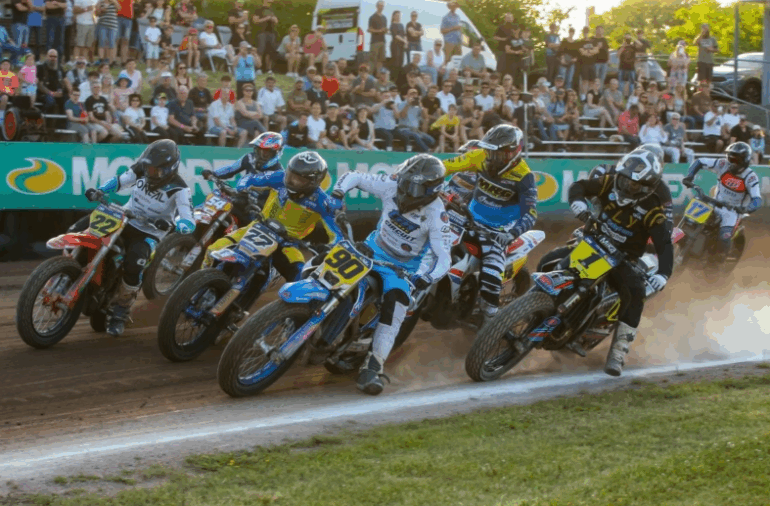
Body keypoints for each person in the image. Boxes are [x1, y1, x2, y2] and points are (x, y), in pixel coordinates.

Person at [330, 154, 452, 396]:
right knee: (325, 261)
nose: (405, 190)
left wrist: (426, 278)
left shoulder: (437, 215)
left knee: (396, 307)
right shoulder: (392, 184)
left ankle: (372, 368)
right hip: (370, 249)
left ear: (432, 190)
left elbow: (444, 258)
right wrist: (338, 193)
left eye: (414, 187)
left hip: (401, 269)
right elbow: (354, 176)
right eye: (405, 182)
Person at [567, 149, 673, 377]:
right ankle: (526, 308)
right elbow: (580, 186)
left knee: (636, 292)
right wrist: (577, 202)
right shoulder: (609, 182)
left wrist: (663, 273)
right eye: (624, 179)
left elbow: (665, 244)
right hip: (592, 240)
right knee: (549, 259)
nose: (625, 186)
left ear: (646, 187)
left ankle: (618, 351)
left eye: (633, 184)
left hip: (621, 258)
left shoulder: (653, 208)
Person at [83, 139, 195, 336]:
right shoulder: (141, 168)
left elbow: (188, 217)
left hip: (150, 231)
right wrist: (101, 190)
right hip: (124, 218)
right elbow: (120, 181)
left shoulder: (180, 189)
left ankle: (121, 311)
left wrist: (180, 224)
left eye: (155, 170)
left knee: (134, 265)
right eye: (148, 167)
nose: (149, 173)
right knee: (85, 230)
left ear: (170, 169)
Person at [201, 151, 344, 294]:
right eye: (291, 175)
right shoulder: (279, 176)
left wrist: (332, 247)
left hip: (287, 244)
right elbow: (249, 179)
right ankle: (199, 285)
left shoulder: (323, 202)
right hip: (257, 227)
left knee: (301, 280)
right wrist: (242, 188)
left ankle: (290, 308)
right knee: (212, 250)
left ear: (314, 182)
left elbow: (336, 234)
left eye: (299, 179)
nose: (291, 181)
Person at [441, 124, 538, 327]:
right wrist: (426, 174)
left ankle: (490, 321)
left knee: (491, 275)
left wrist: (511, 234)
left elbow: (530, 213)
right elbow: (446, 166)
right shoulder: (480, 156)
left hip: (497, 232)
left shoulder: (524, 176)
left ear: (512, 152)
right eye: (489, 151)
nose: (490, 157)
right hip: (468, 218)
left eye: (496, 153)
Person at [682, 141, 761, 263]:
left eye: (735, 160)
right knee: (690, 218)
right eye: (730, 158)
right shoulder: (723, 164)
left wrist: (746, 209)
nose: (731, 162)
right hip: (714, 202)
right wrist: (689, 176)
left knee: (724, 237)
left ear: (744, 161)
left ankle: (716, 263)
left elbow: (757, 199)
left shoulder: (750, 177)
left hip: (732, 211)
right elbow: (699, 161)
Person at [202, 131, 285, 224]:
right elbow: (231, 169)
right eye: (259, 150)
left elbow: (278, 200)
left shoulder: (278, 173)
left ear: (276, 153)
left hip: (259, 207)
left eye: (266, 152)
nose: (262, 155)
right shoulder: (249, 158)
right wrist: (213, 173)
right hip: (241, 197)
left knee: (250, 223)